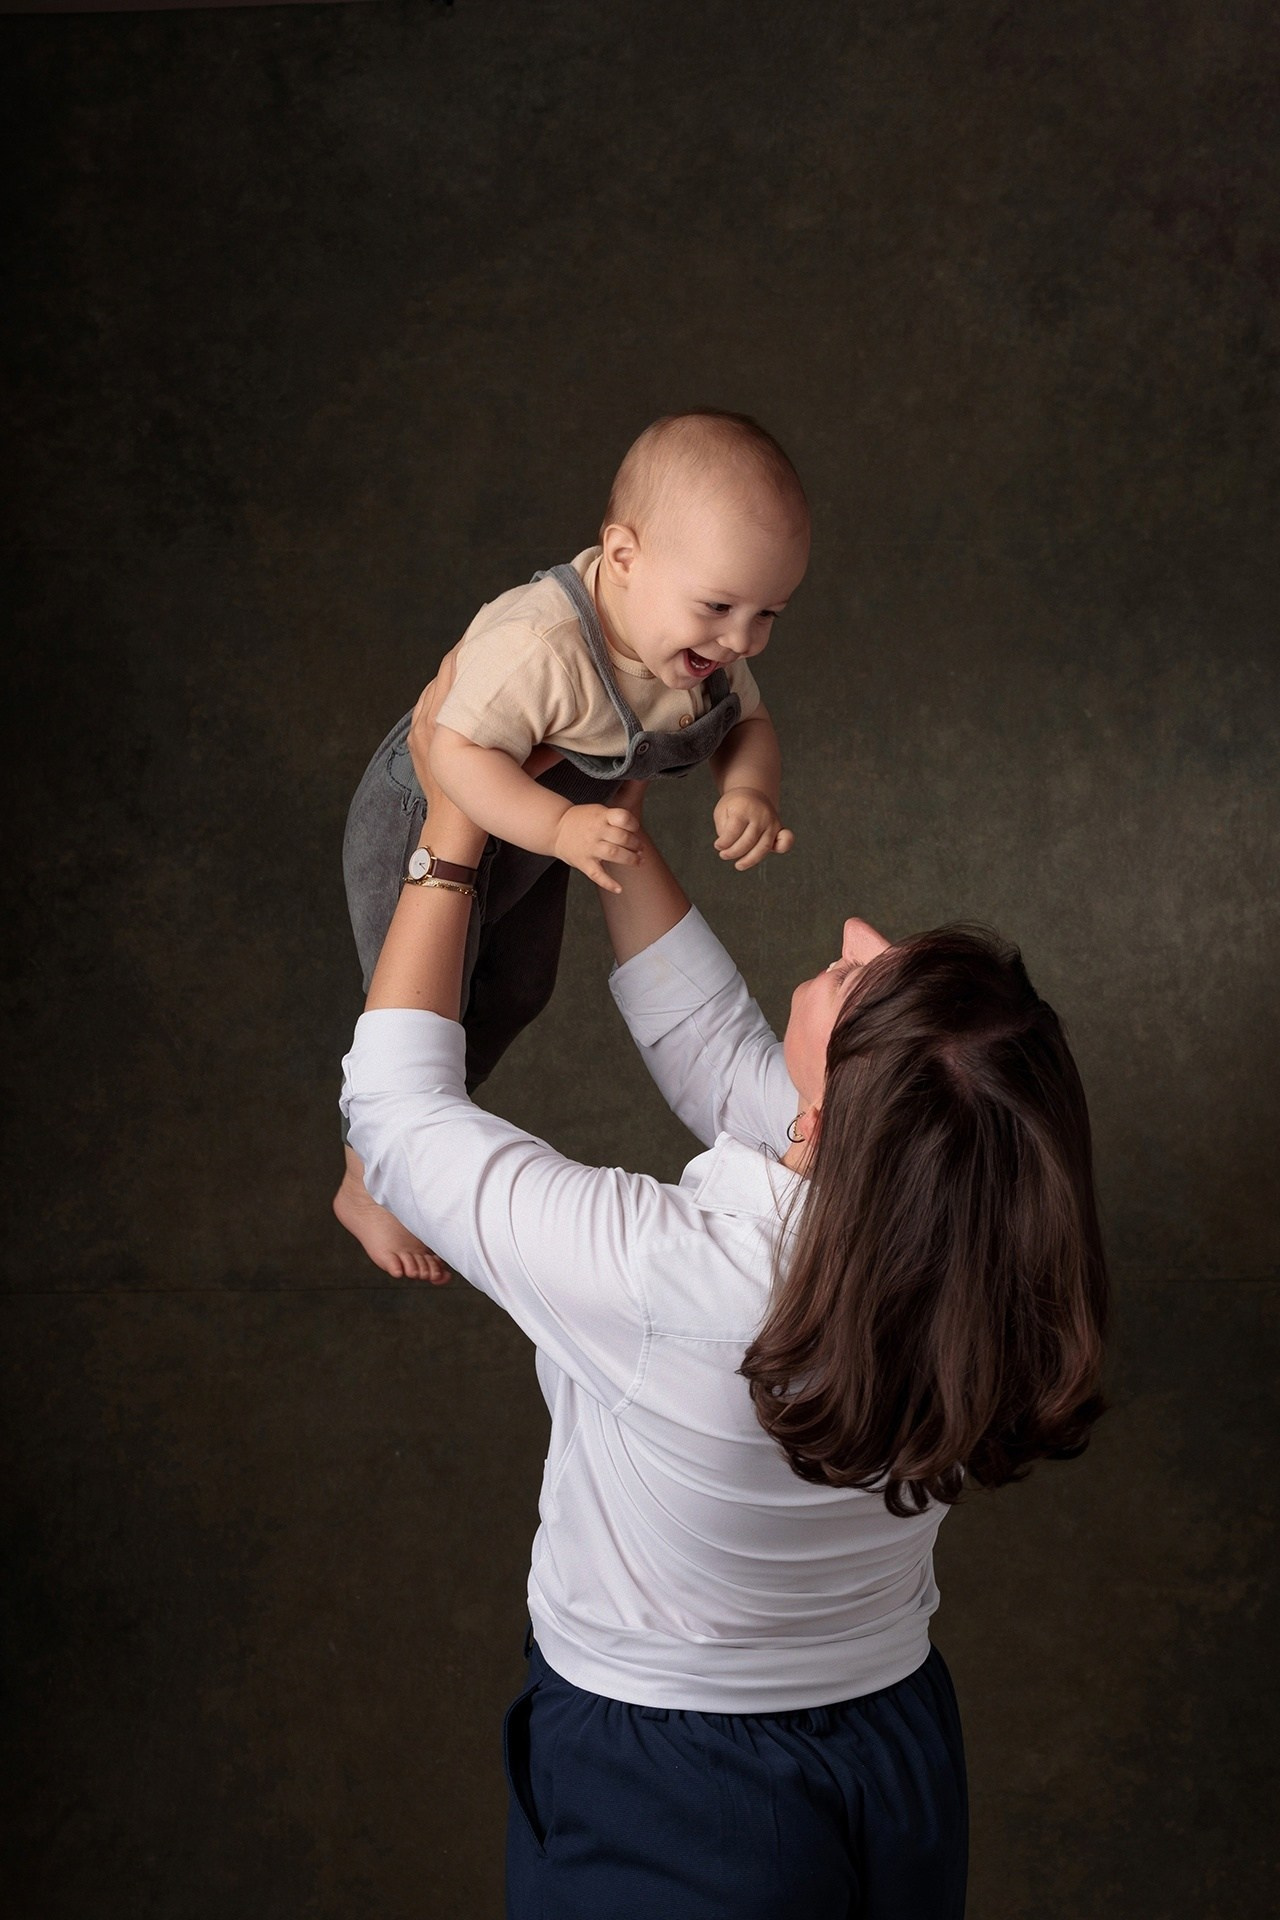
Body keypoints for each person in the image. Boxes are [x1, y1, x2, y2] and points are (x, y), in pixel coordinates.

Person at [339, 662, 1110, 1919]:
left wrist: (450, 817)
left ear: (836, 1107)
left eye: (865, 977)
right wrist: (618, 798)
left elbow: (396, 1113)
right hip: (892, 1745)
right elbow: (723, 1061)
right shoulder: (961, 1231)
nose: (854, 935)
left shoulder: (668, 1282)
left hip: (674, 1784)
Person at [334, 408, 811, 1284]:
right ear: (623, 557)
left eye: (767, 614)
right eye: (719, 607)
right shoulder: (538, 646)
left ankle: (405, 1149)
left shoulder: (703, 653)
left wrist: (749, 787)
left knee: (517, 986)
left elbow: (752, 722)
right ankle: (366, 1178)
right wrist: (557, 826)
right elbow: (454, 753)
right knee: (424, 1007)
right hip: (433, 816)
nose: (741, 641)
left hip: (554, 831)